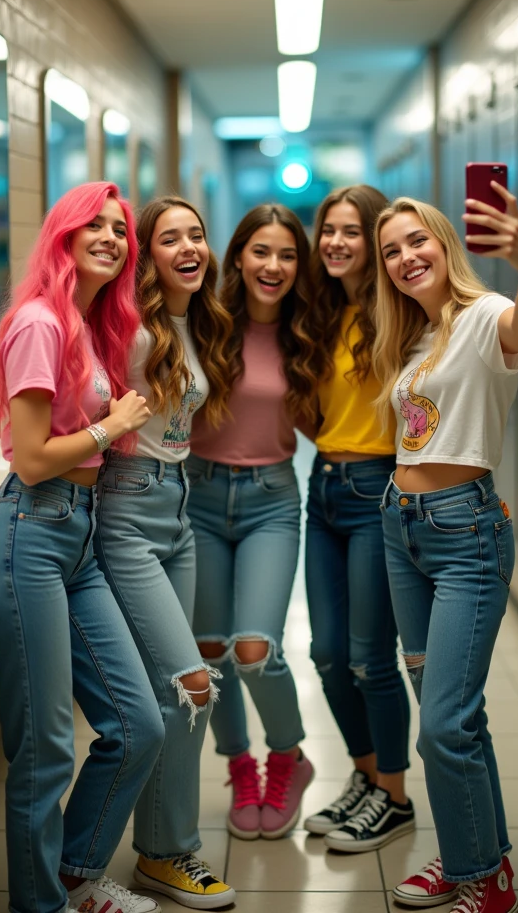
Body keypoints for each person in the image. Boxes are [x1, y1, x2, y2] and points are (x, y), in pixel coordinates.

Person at [0, 182, 162, 913]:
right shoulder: (40, 323)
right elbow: (29, 457)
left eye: (121, 230)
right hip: (30, 534)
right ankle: (40, 904)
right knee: (46, 750)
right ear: (64, 236)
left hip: (74, 538)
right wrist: (114, 427)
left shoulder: (88, 324)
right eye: (97, 226)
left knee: (138, 723)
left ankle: (75, 875)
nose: (114, 238)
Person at [373, 184, 518, 912]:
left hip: (464, 534)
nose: (406, 258)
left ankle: (480, 875)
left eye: (417, 241)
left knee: (442, 722)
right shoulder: (411, 336)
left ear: (444, 243)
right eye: (393, 251)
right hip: (401, 527)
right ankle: (479, 855)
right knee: (452, 715)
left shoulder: (483, 317)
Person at [94, 196, 236, 910]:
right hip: (127, 511)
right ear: (145, 255)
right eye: (169, 238)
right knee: (190, 686)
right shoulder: (129, 329)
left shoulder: (192, 321)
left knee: (169, 690)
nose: (190, 247)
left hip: (177, 508)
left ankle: (158, 853)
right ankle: (171, 852)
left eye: (198, 235)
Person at [188, 204, 320, 840]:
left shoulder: (307, 333)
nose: (274, 266)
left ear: (301, 266)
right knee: (210, 652)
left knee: (254, 649)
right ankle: (239, 765)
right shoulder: (205, 323)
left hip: (271, 497)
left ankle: (288, 757)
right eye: (261, 252)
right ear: (238, 256)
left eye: (288, 254)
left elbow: (329, 418)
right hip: (200, 496)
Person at [303, 185, 414, 853]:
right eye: (329, 231)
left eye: (352, 231)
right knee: (327, 655)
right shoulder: (318, 311)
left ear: (374, 239)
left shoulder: (399, 314)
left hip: (378, 489)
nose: (337, 243)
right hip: (322, 489)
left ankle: (395, 799)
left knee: (372, 658)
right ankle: (368, 778)